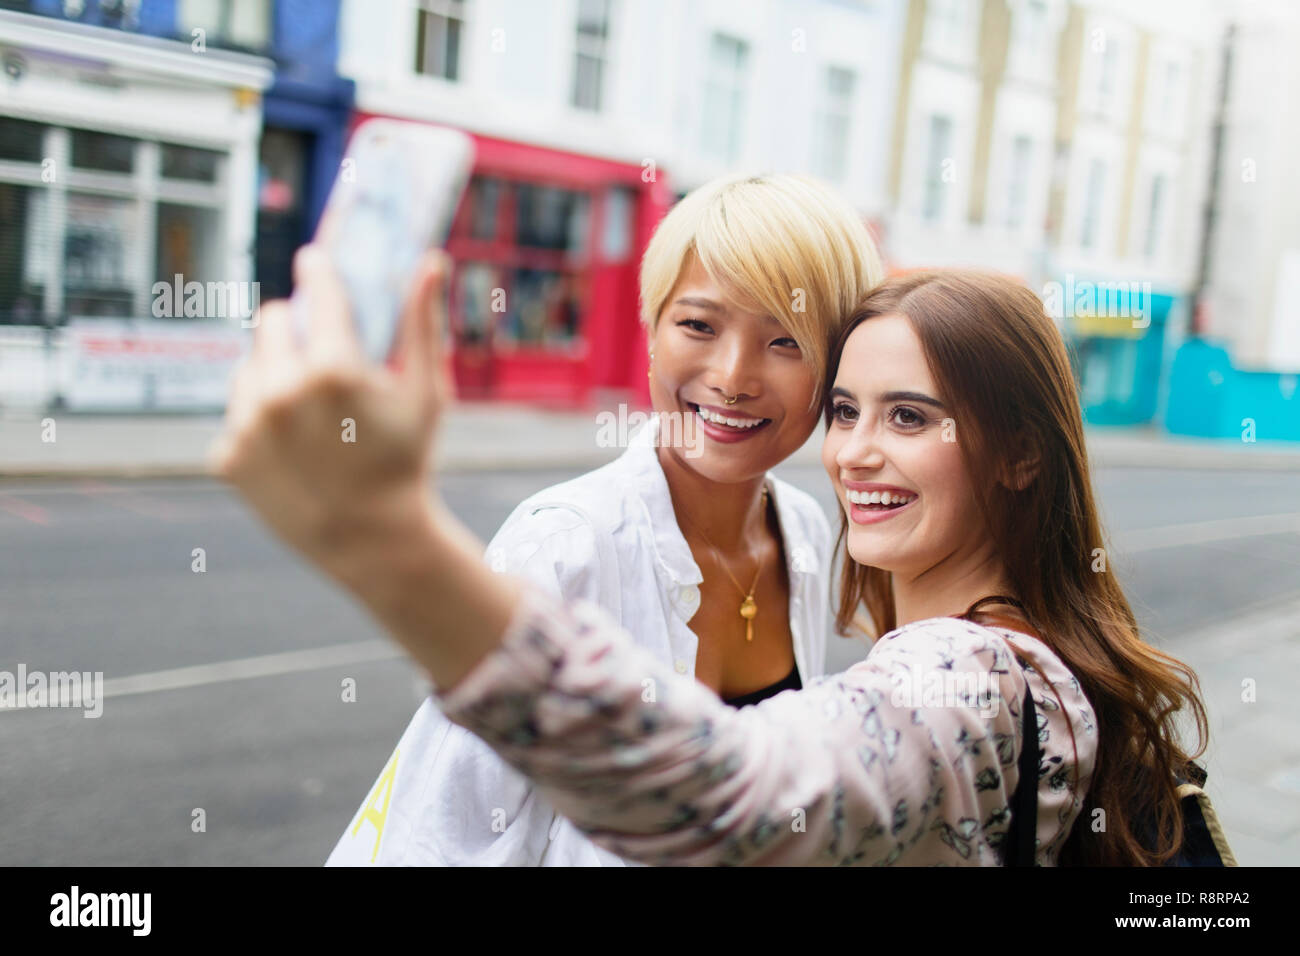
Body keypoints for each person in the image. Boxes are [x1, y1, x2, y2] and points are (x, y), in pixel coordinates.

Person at [213, 252, 1209, 865]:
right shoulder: (1040, 649)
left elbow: (735, 800)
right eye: (847, 410)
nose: (855, 450)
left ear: (1022, 452)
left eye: (911, 416)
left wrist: (393, 543)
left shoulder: (963, 678)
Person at [322, 173, 884, 865]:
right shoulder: (564, 544)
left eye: (786, 342)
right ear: (650, 328)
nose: (734, 376)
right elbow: (441, 836)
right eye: (699, 325)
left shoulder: (804, 528)